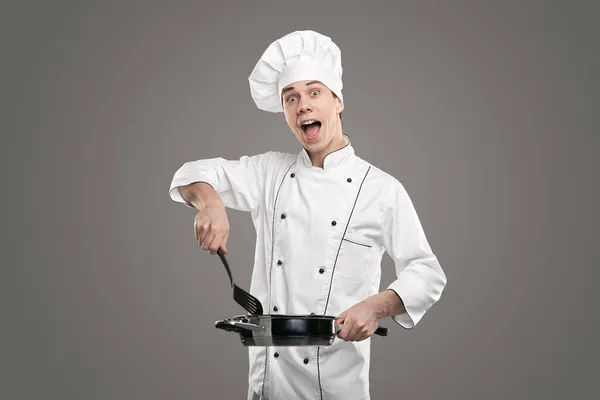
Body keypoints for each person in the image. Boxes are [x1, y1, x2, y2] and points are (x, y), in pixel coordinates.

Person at [168, 30, 447, 400]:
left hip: (335, 389)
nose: (303, 106)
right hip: (267, 387)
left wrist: (376, 306)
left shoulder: (380, 189)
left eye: (315, 92)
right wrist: (211, 203)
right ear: (285, 112)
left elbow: (427, 273)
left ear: (338, 102)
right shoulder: (270, 173)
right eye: (291, 98)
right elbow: (192, 173)